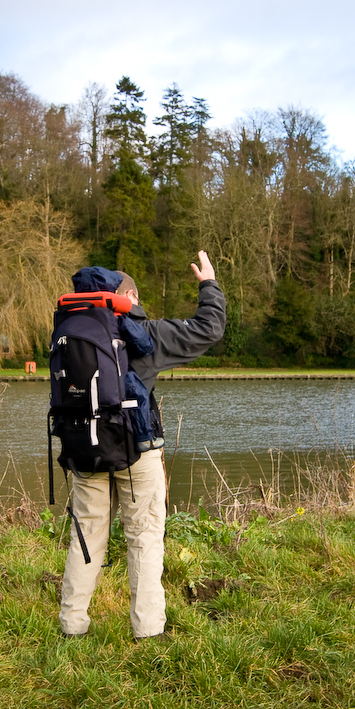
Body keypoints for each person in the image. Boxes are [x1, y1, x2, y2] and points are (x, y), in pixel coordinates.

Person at [59, 250, 226, 640]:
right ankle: (148, 631)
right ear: (129, 299)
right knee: (145, 537)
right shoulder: (147, 334)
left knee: (86, 534)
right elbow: (209, 328)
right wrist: (208, 285)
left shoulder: (71, 334)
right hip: (138, 451)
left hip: (85, 449)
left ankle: (72, 626)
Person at [70, 266, 163, 451]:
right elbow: (144, 345)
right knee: (138, 392)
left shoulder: (69, 316)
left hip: (79, 381)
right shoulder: (114, 314)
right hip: (111, 377)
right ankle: (145, 438)